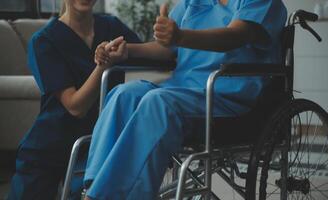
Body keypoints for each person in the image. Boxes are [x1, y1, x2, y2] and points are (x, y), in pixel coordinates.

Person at [83, 0, 287, 199]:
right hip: (181, 90)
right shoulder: (193, 2)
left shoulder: (261, 2)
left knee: (158, 102)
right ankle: (93, 189)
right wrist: (127, 51)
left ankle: (107, 195)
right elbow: (167, 47)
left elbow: (235, 36)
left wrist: (180, 36)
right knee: (124, 94)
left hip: (226, 96)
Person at [6, 0, 140, 199]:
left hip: (96, 145)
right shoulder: (44, 41)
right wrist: (103, 66)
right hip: (49, 147)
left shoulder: (111, 27)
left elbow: (158, 56)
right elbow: (76, 107)